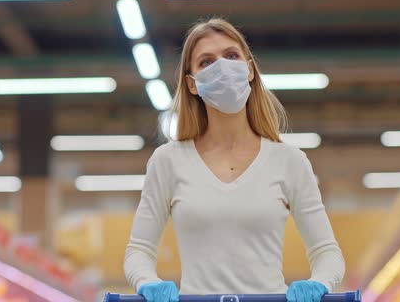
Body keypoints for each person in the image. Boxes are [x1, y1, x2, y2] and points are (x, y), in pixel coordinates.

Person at [123, 18, 345, 302]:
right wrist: (147, 282)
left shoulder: (290, 161)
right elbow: (138, 250)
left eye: (231, 56)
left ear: (249, 69)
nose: (222, 68)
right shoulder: (168, 161)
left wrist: (319, 283)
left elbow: (327, 252)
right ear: (192, 85)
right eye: (206, 62)